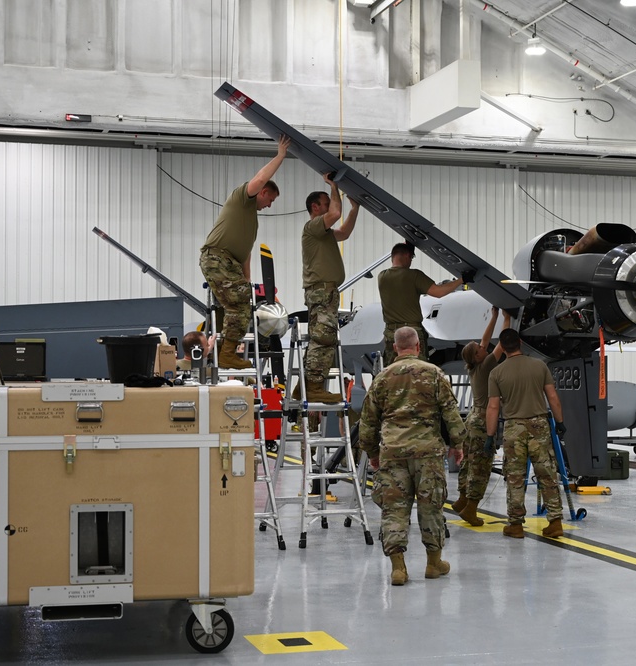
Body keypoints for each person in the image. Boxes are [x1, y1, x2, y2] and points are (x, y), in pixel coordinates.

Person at [359, 327, 466, 586]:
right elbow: (451, 413)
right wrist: (458, 444)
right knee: (431, 508)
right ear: (418, 347)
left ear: (395, 348)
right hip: (428, 453)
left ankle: (398, 569)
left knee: (394, 510)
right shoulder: (434, 374)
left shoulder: (382, 378)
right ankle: (433, 563)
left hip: (393, 454)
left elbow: (368, 422)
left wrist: (373, 453)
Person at [199, 135, 290, 370]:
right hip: (217, 257)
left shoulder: (250, 220)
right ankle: (227, 352)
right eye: (270, 199)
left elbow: (246, 252)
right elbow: (261, 177)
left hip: (229, 263)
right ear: (262, 192)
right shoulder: (242, 198)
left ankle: (223, 350)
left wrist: (247, 279)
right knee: (239, 304)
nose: (269, 205)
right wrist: (280, 156)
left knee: (240, 302)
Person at [486, 328, 565, 540]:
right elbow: (553, 397)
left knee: (514, 477)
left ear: (502, 347)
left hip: (514, 429)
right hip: (539, 425)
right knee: (547, 473)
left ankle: (515, 524)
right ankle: (555, 521)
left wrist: (489, 435)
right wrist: (560, 422)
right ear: (520, 342)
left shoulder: (497, 373)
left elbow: (493, 408)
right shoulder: (539, 366)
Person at [299, 174, 360, 403]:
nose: (331, 206)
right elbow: (335, 214)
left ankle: (304, 386)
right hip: (322, 292)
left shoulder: (322, 233)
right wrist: (334, 186)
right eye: (325, 203)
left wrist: (354, 209)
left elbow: (343, 232)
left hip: (326, 292)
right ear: (315, 208)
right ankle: (314, 387)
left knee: (321, 338)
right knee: (323, 339)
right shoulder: (314, 226)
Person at [452, 306, 510, 526]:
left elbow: (485, 342)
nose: (483, 346)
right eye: (479, 348)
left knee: (469, 462)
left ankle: (462, 499)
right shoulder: (486, 365)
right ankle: (471, 509)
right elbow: (502, 345)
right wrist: (506, 320)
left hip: (472, 420)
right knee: (481, 467)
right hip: (484, 421)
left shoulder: (473, 366)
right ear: (477, 356)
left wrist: (493, 317)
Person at [377, 243, 471, 366]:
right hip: (412, 332)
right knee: (419, 370)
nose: (410, 262)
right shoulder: (414, 276)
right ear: (407, 256)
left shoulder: (382, 277)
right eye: (411, 258)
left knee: (393, 369)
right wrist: (462, 280)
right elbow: (439, 292)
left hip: (391, 333)